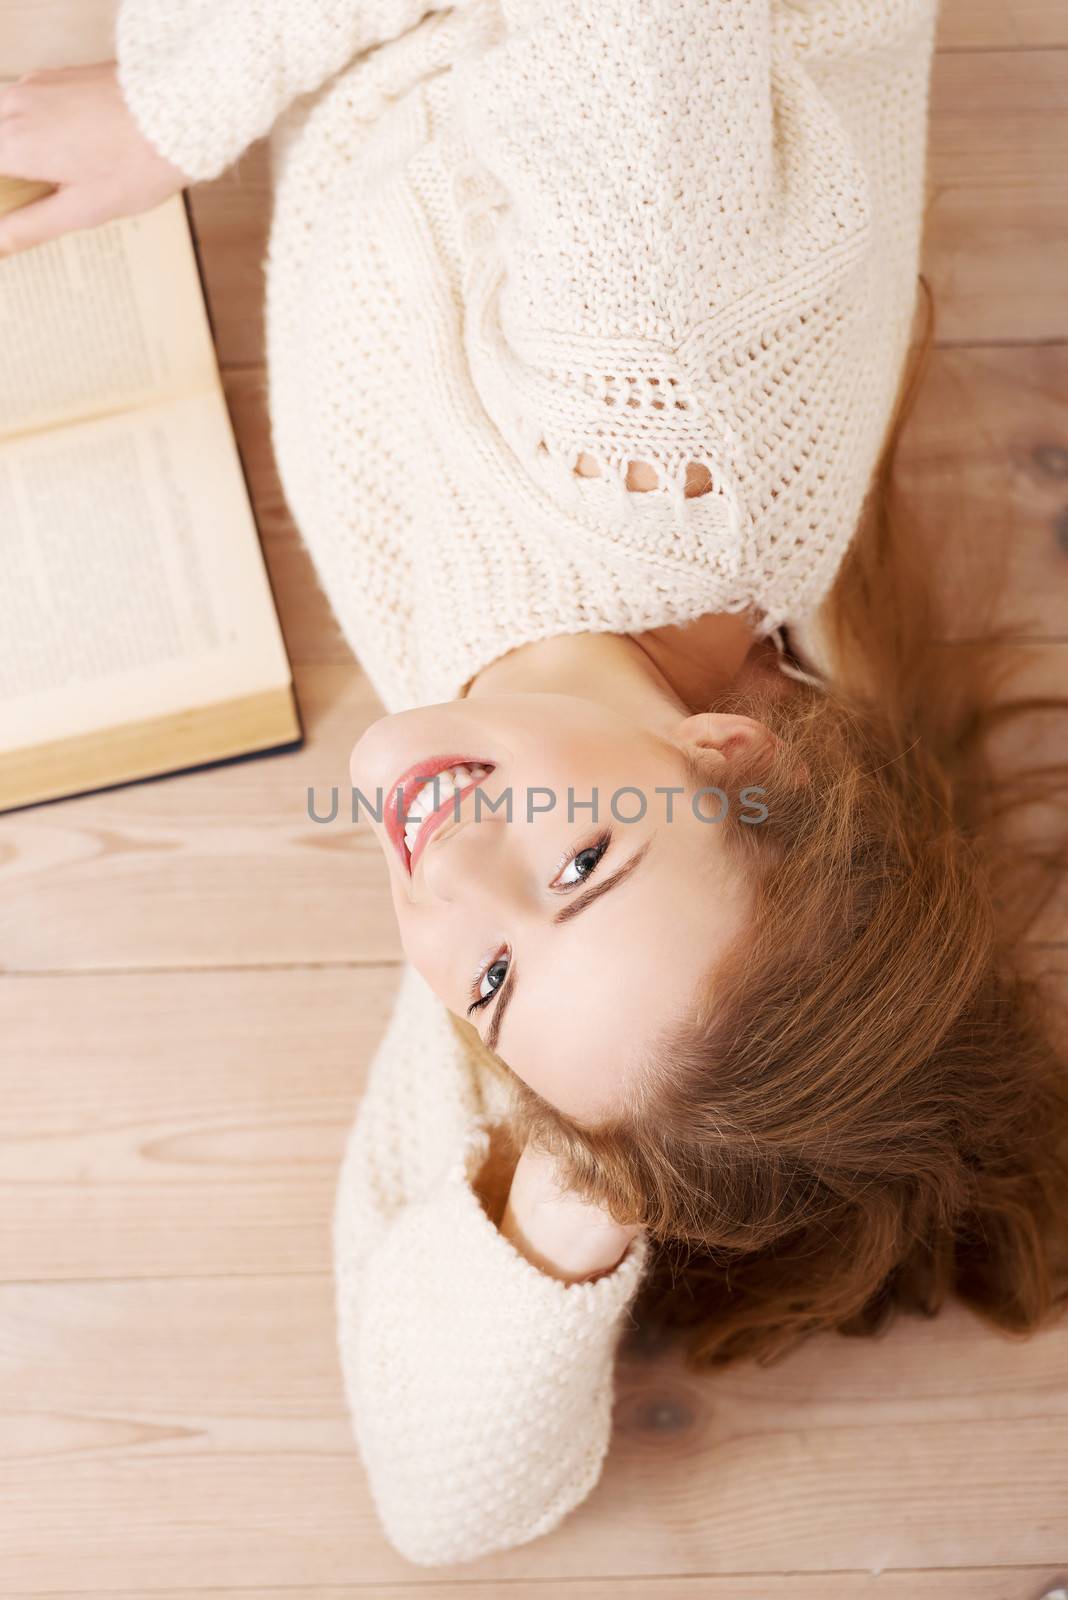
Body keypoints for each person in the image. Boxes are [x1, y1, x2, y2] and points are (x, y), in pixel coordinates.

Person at [3, 0, 1066, 1569]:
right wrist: (178, 102)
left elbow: (440, 1504)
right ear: (730, 751)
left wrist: (603, 1163)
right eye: (581, 867)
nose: (447, 884)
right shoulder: (641, 367)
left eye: (491, 986)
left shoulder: (595, 899)